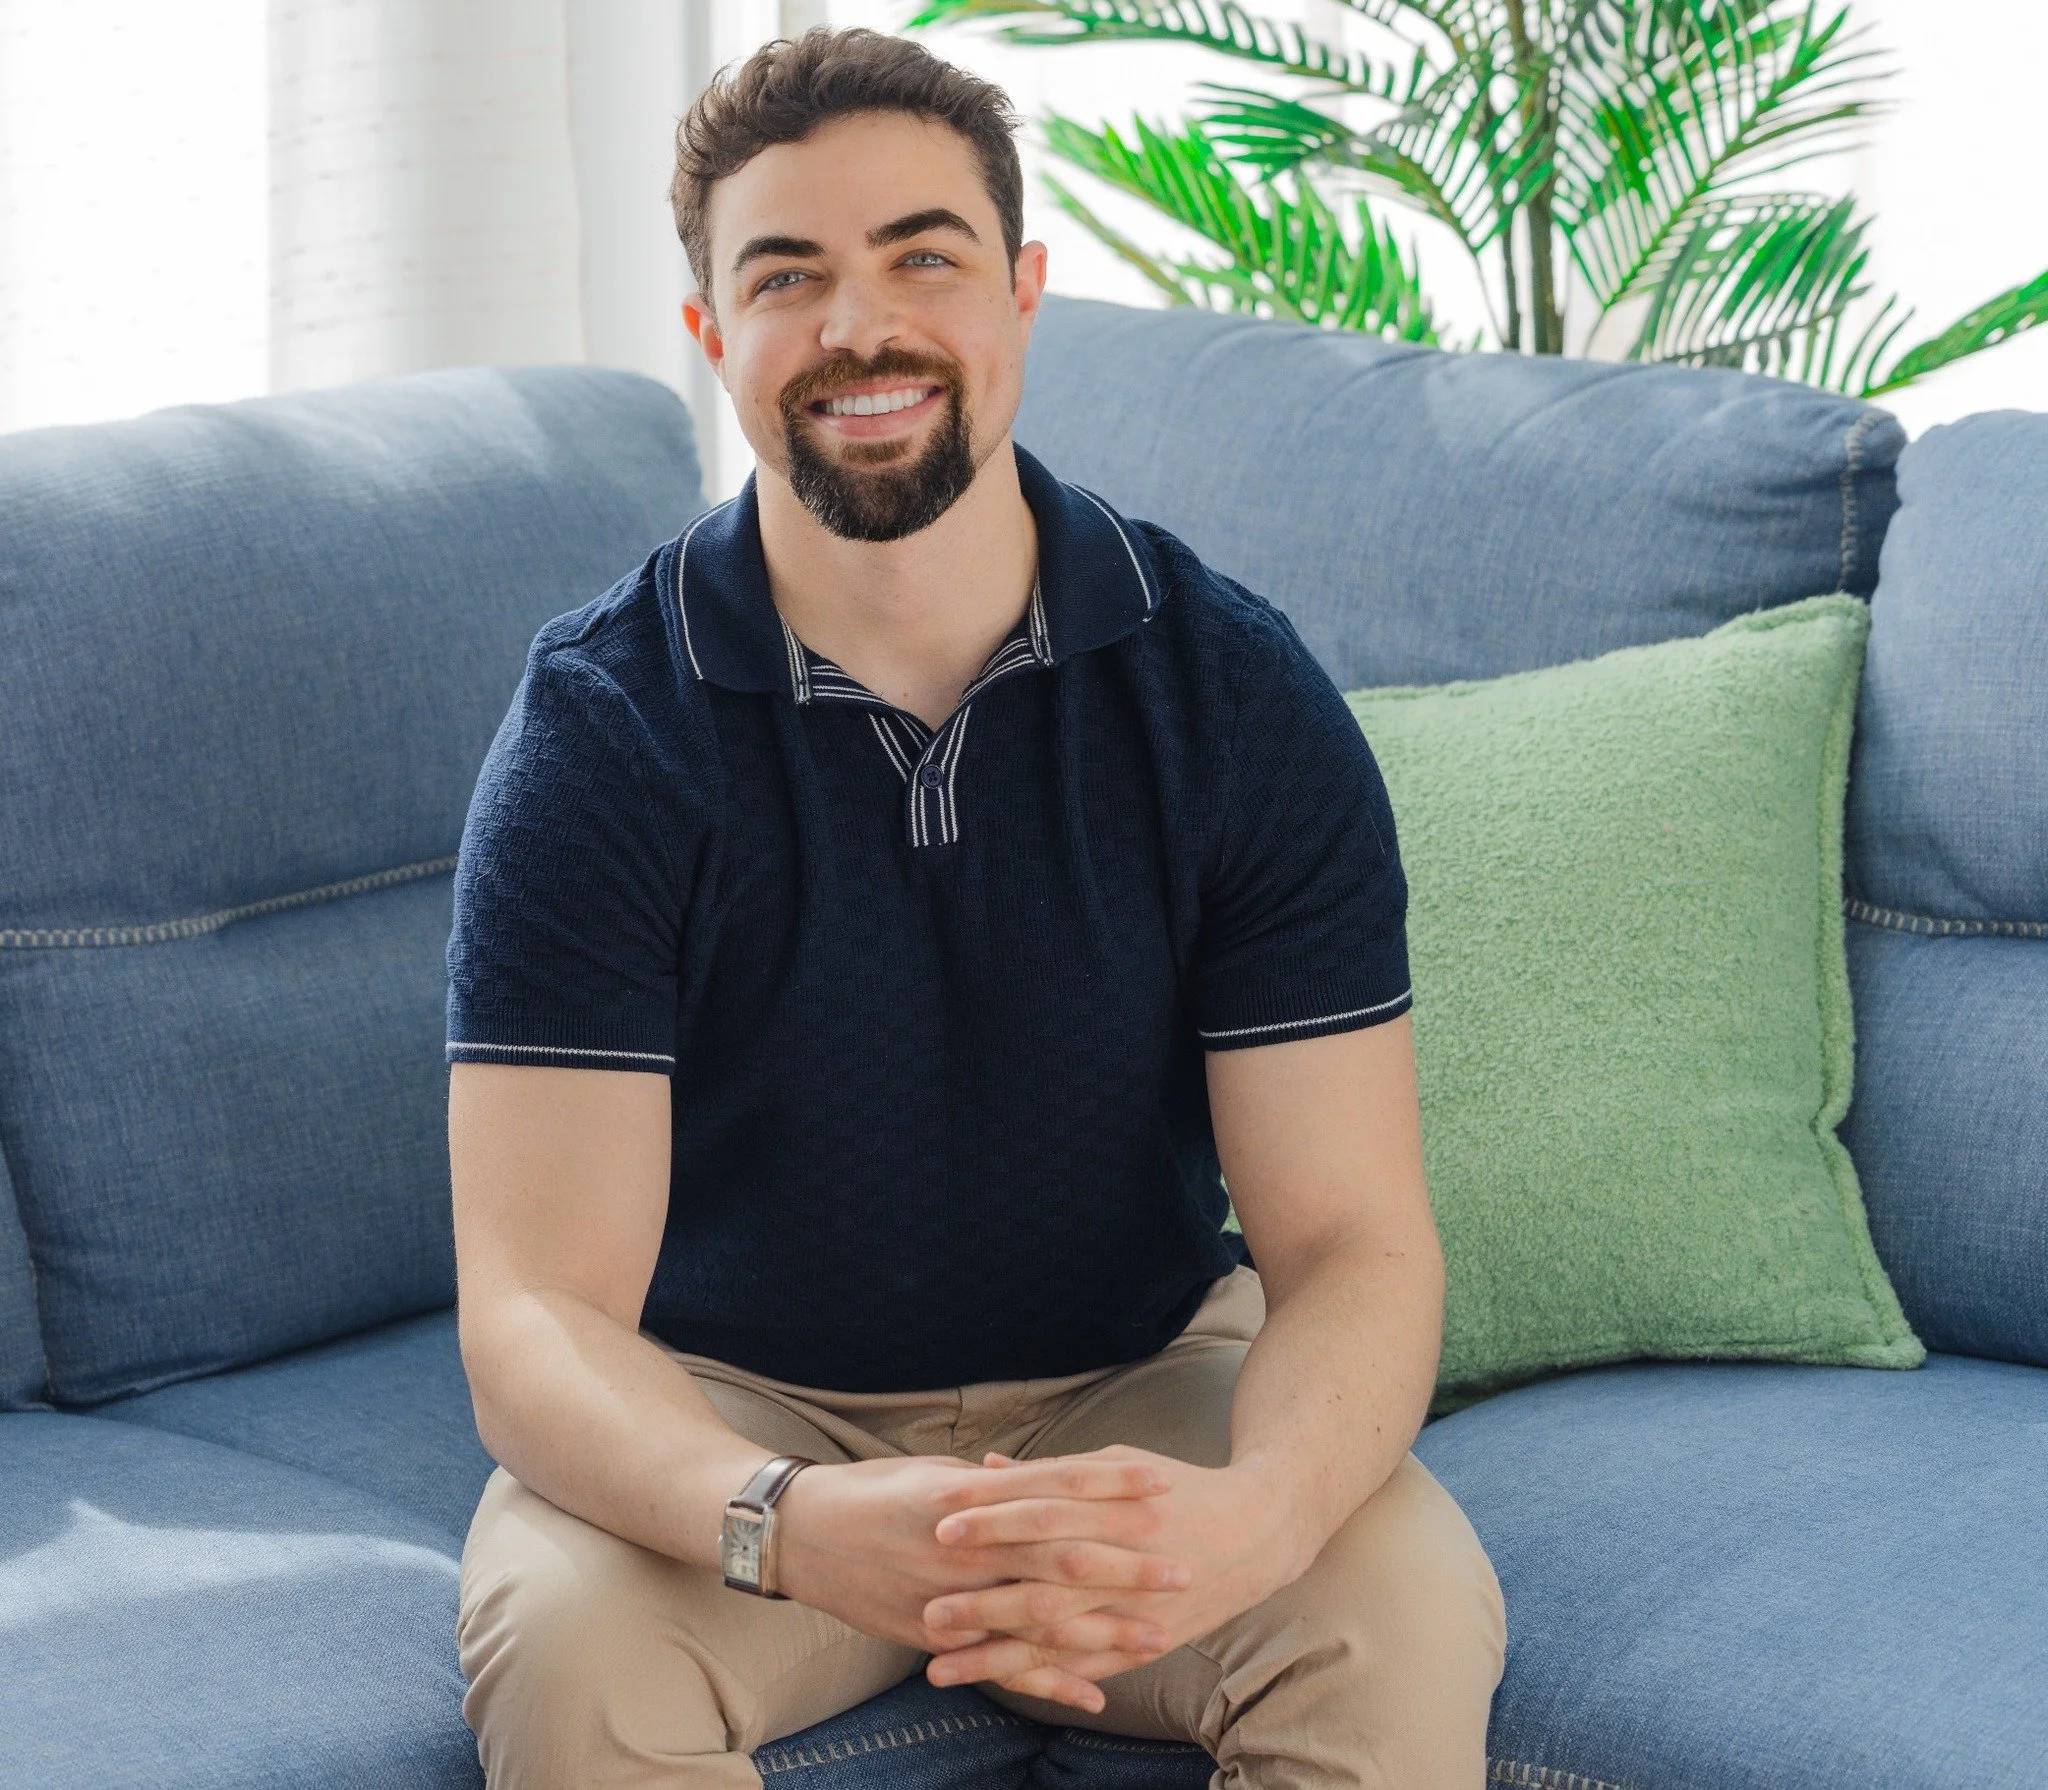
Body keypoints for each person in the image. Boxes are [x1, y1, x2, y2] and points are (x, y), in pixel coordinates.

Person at [447, 25, 1504, 1789]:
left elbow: (1353, 1243)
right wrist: (781, 1516)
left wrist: (1254, 1516)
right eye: (788, 276)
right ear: (710, 333)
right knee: (575, 1658)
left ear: (1021, 289)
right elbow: (538, 1310)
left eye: (921, 256)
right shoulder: (600, 731)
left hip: (1138, 1392)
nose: (859, 327)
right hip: (734, 1417)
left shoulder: (1232, 694)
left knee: (1395, 1621)